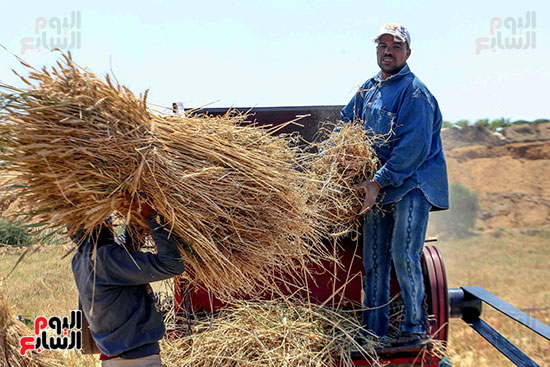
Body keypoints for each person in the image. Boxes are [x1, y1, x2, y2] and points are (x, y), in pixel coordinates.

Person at [340, 23, 449, 347]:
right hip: (378, 187)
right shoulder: (368, 89)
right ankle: (373, 331)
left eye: (396, 46)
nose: (388, 51)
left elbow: (412, 148)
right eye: (382, 45)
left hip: (411, 184)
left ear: (408, 53)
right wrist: (333, 156)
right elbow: (346, 125)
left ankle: (415, 329)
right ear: (376, 50)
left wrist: (378, 180)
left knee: (403, 254)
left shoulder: (415, 92)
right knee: (373, 259)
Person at [71, 199, 186, 366]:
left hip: (116, 359)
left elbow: (125, 258)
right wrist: (152, 217)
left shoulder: (80, 260)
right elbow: (172, 265)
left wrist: (135, 222)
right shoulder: (105, 259)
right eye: (106, 220)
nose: (110, 223)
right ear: (99, 225)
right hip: (136, 361)